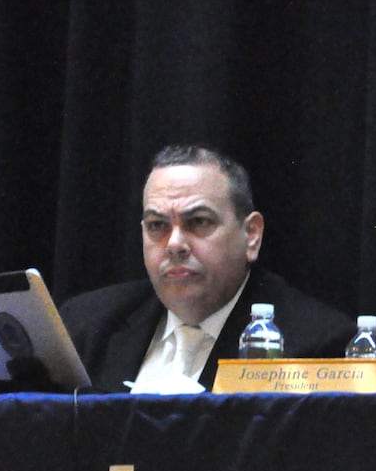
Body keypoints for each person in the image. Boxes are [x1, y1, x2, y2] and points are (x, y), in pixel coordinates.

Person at [60, 144, 356, 393]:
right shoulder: (85, 328)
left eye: (198, 222)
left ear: (251, 235)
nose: (174, 244)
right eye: (157, 226)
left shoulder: (316, 345)